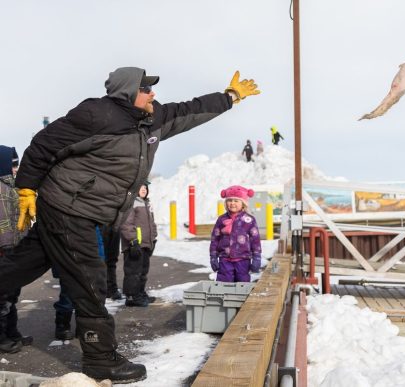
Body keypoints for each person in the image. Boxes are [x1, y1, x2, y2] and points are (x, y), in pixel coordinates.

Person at [0, 67, 259, 383]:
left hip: (80, 209)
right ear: (127, 91)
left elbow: (191, 111)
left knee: (19, 266)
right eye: (146, 89)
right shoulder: (96, 115)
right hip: (69, 207)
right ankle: (100, 360)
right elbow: (43, 143)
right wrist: (26, 187)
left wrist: (230, 97)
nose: (153, 94)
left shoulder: (152, 119)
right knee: (89, 282)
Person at [0, 146, 32, 353]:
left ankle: (12, 331)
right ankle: (1, 337)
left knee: (12, 294)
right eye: (13, 164)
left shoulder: (15, 188)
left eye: (17, 164)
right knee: (1, 297)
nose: (16, 168)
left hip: (16, 249)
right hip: (3, 250)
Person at [209, 185, 262, 283]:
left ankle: (242, 298)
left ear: (243, 203)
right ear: (226, 203)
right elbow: (215, 238)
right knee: (224, 284)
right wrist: (213, 256)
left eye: (236, 201)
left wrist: (256, 257)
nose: (232, 203)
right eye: (230, 200)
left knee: (242, 283)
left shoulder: (249, 220)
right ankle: (224, 298)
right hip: (225, 259)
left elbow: (255, 240)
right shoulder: (222, 219)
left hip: (243, 260)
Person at [120, 183, 157, 307]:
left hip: (145, 244)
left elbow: (152, 223)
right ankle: (131, 297)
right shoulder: (132, 203)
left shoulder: (146, 203)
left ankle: (139, 293)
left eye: (145, 188)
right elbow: (126, 223)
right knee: (133, 271)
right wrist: (133, 240)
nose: (144, 190)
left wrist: (154, 238)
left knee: (143, 271)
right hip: (134, 244)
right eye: (141, 187)